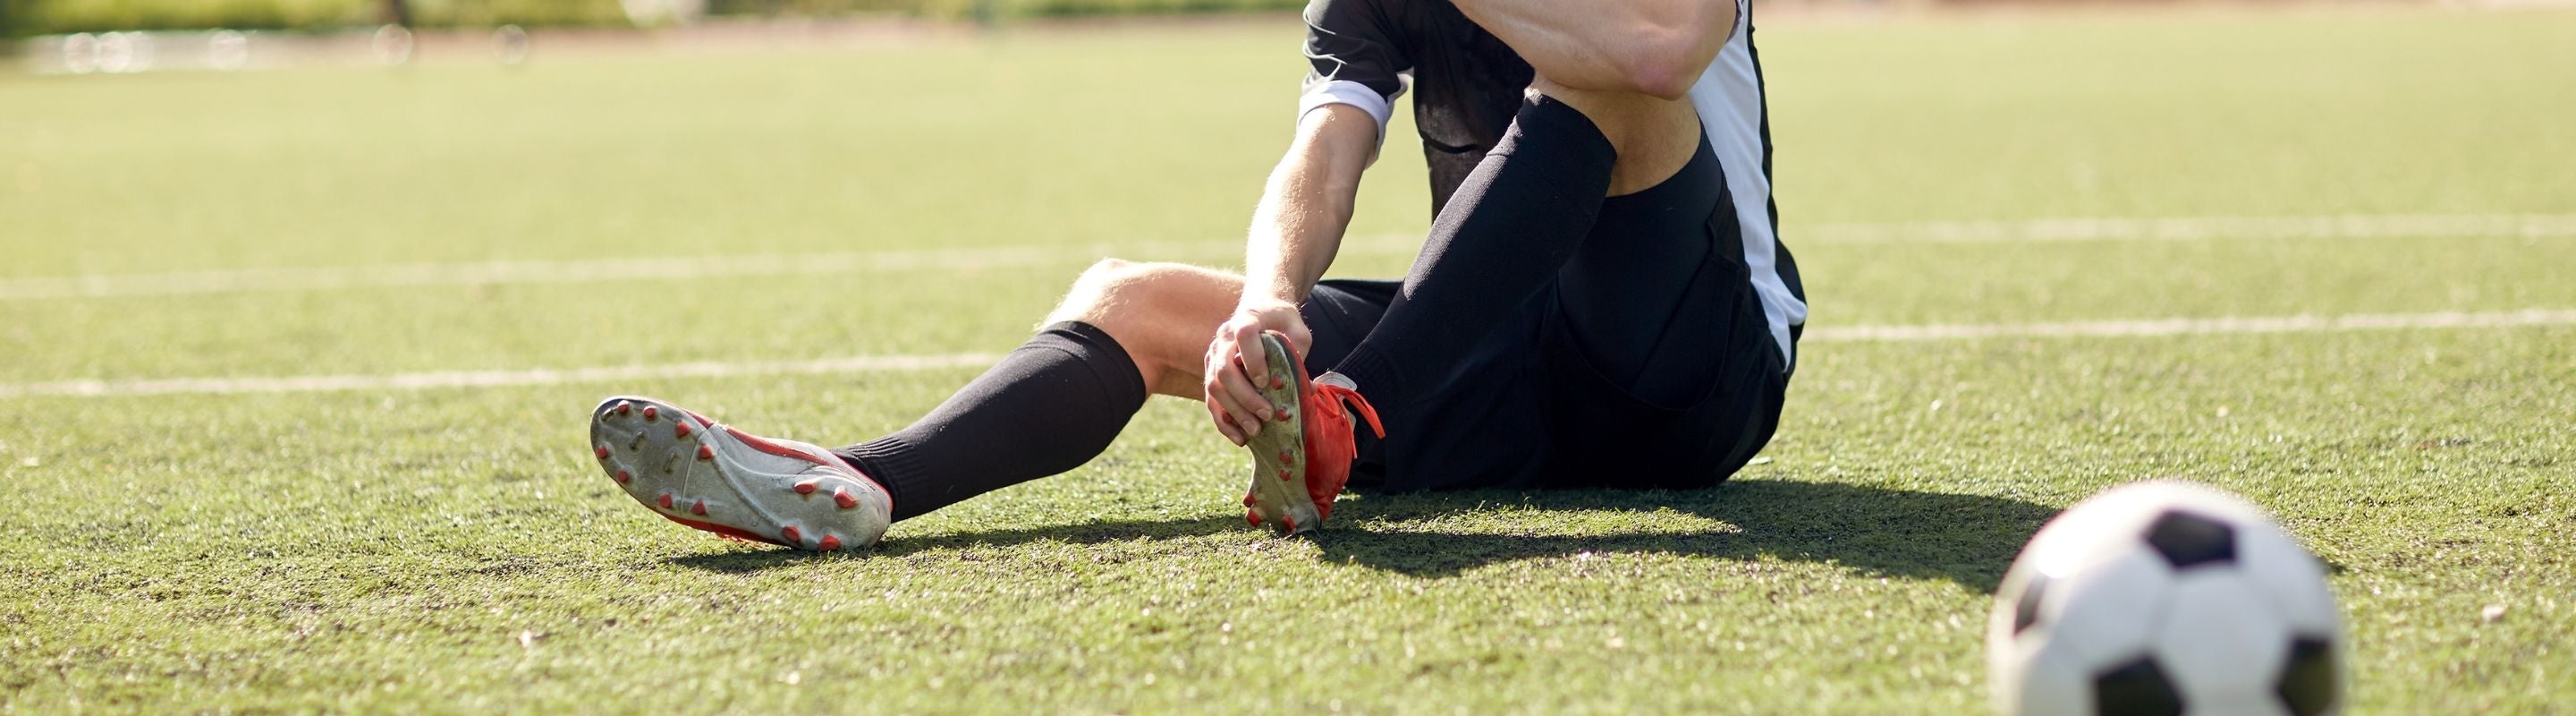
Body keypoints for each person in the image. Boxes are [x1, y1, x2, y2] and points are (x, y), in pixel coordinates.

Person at [584, 0, 1808, 550]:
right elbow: (1323, 155)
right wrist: (1269, 303)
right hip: (1500, 372)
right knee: (1133, 296)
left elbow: (1658, 53)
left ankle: (1346, 408)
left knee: (1596, 79)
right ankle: (856, 485)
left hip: (1693, 373)